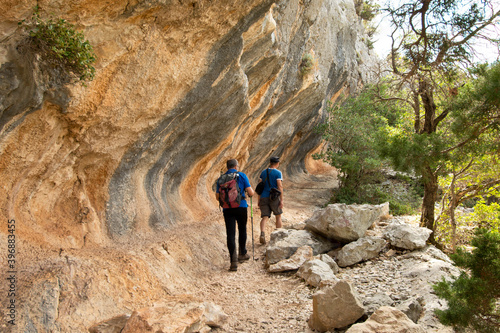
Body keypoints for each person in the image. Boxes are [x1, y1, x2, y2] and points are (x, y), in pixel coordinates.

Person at [216, 159, 255, 271]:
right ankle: (242, 253)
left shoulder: (221, 178)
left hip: (227, 209)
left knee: (230, 234)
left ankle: (233, 262)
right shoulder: (242, 175)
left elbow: (217, 197)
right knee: (242, 229)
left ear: (227, 167)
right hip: (241, 206)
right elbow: (251, 192)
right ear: (236, 166)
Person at [257, 156, 283, 244]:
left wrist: (259, 200)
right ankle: (278, 236)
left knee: (265, 217)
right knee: (278, 215)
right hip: (274, 197)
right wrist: (281, 200)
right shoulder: (278, 173)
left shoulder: (263, 172)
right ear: (277, 163)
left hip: (263, 197)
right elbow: (279, 186)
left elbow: (259, 187)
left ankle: (262, 234)